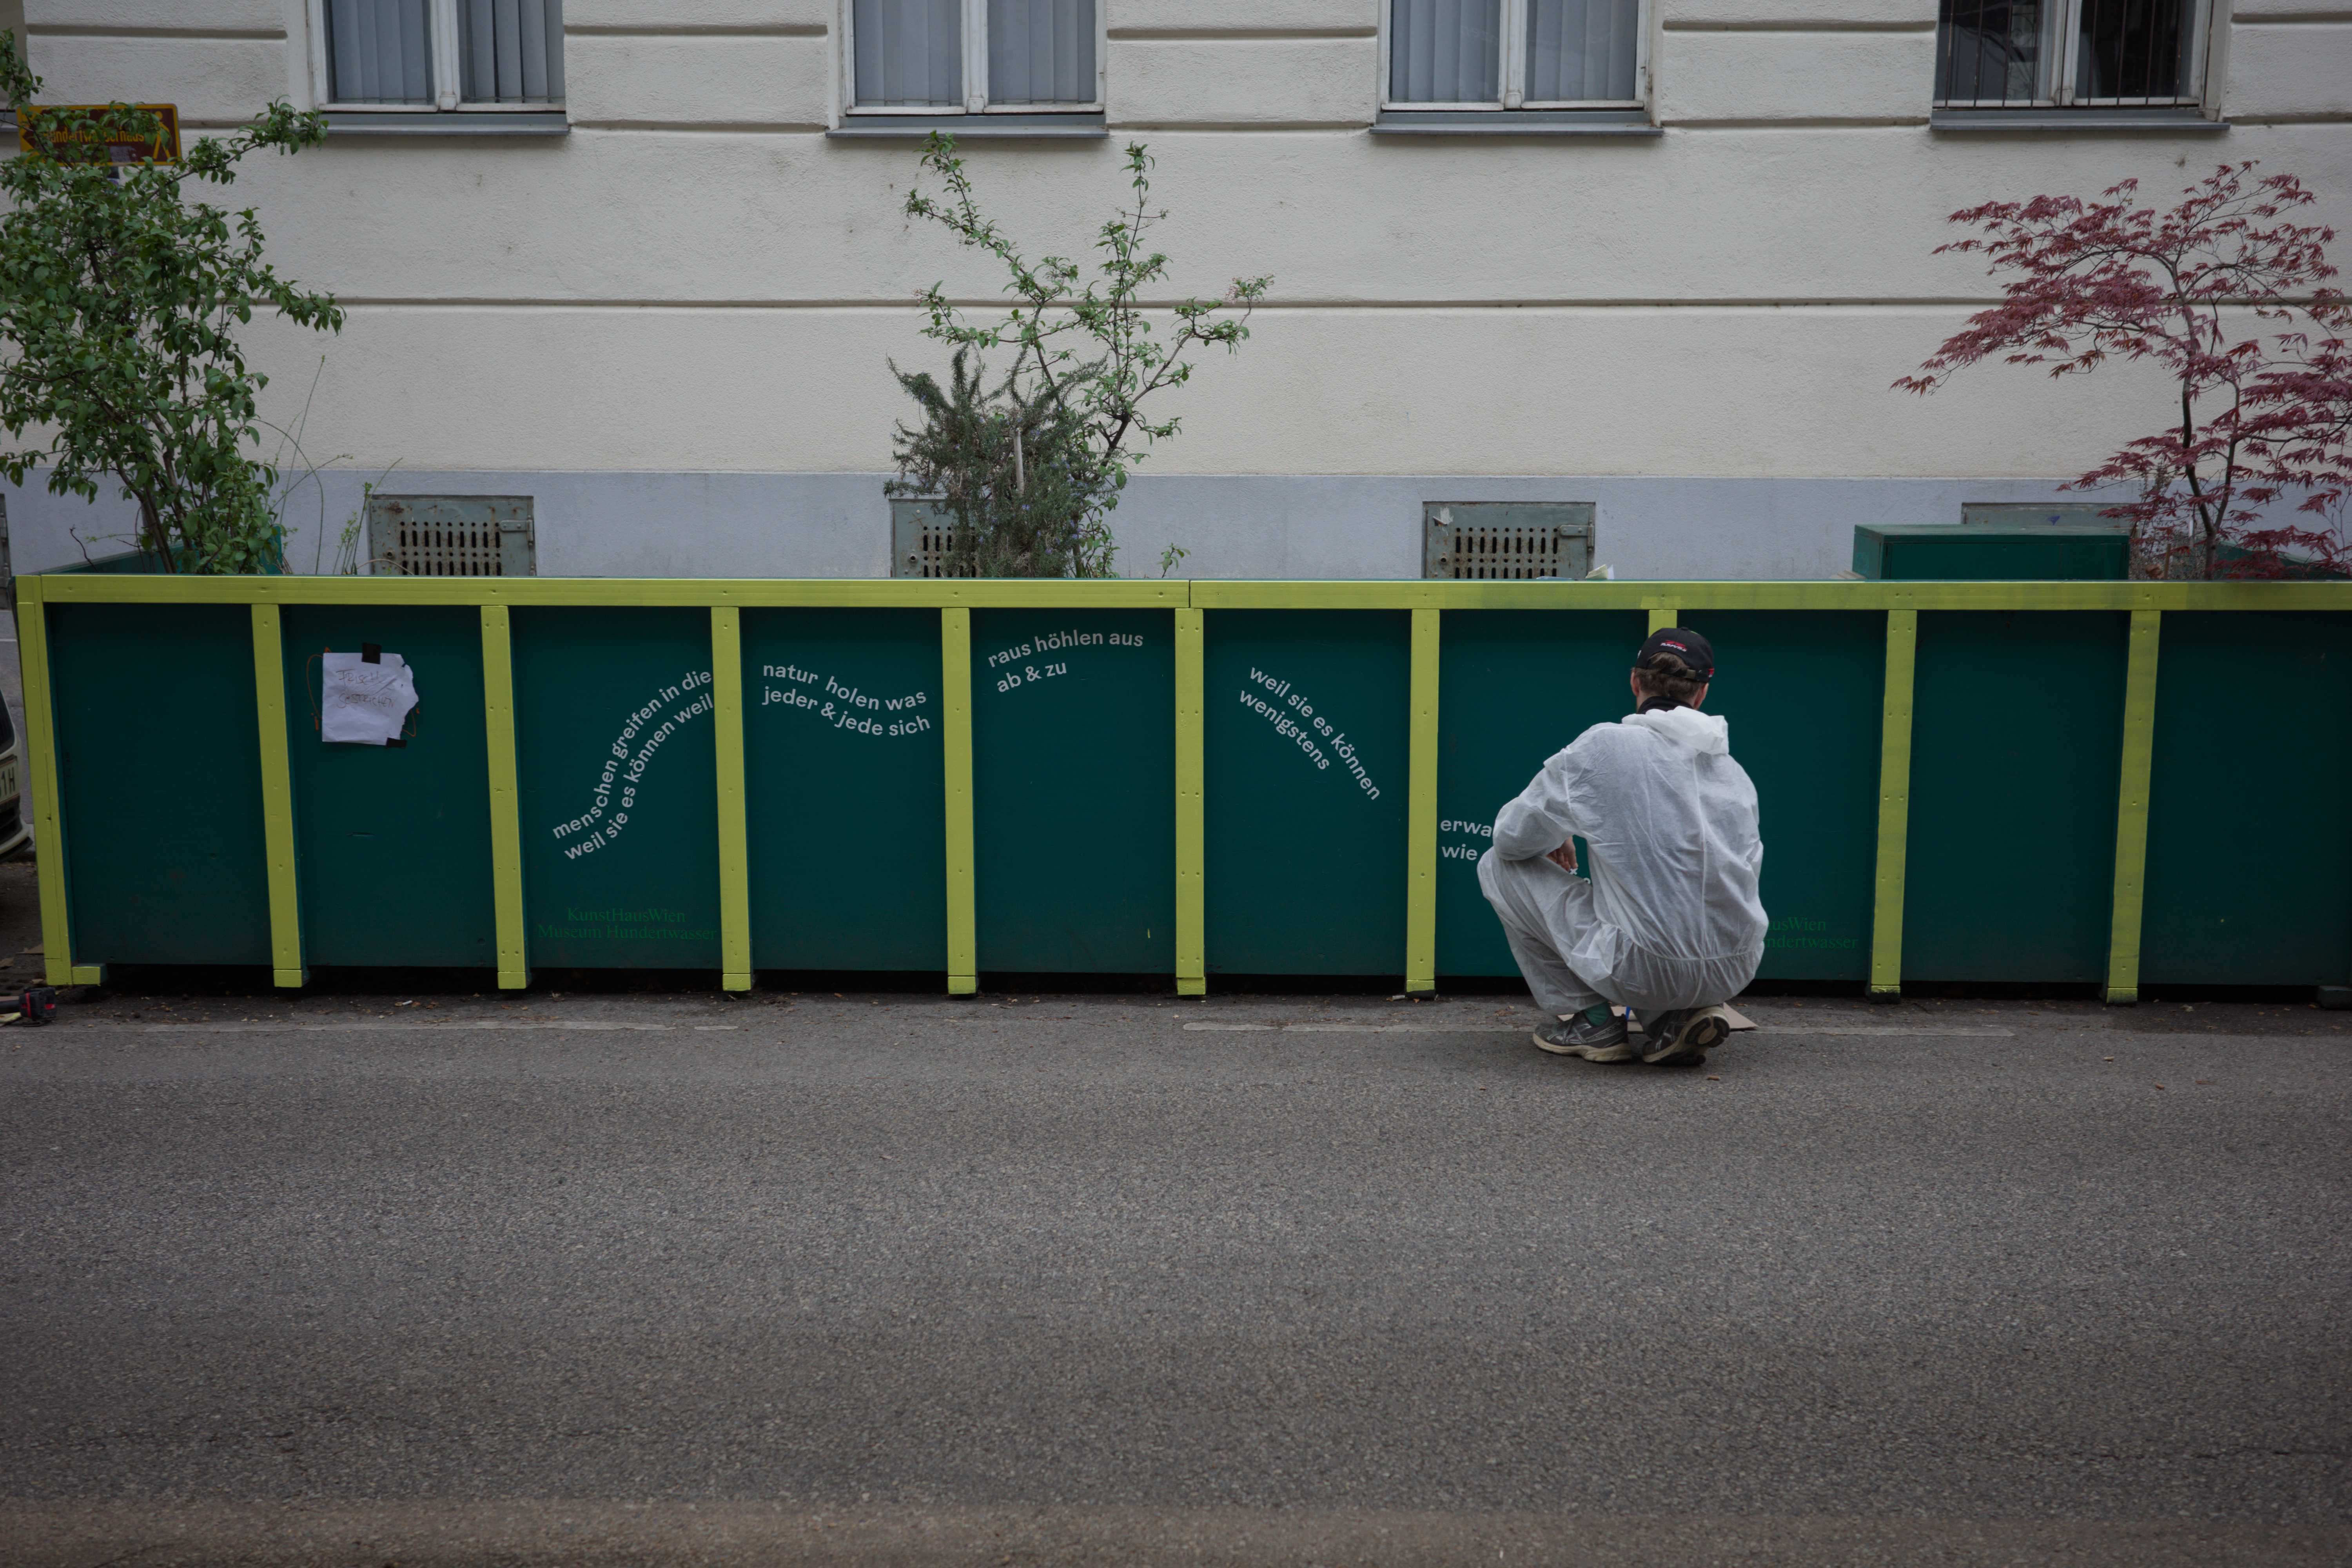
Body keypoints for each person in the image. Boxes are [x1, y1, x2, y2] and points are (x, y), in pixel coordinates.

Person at [1476, 627, 1766, 1067]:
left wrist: (1559, 832)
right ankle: (1676, 1017)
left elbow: (1511, 838)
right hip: (1735, 965)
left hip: (1643, 965)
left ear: (1635, 682)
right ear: (1702, 693)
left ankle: (1592, 1020)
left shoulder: (1604, 746)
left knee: (1498, 864)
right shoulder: (1734, 773)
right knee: (1656, 915)